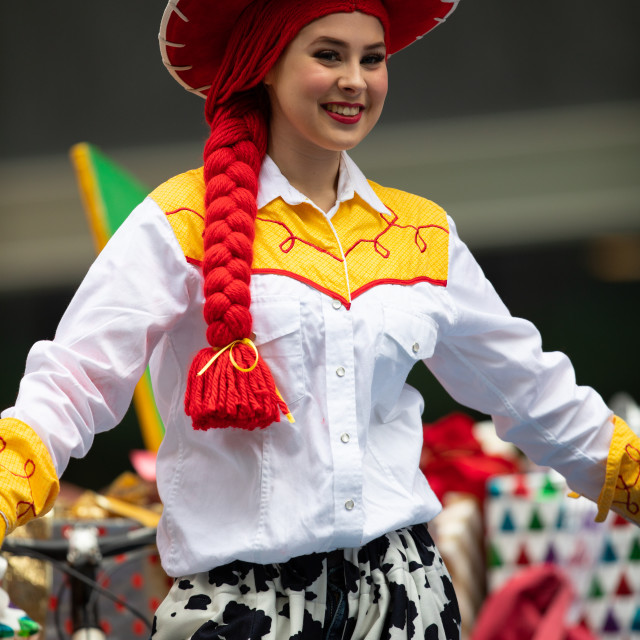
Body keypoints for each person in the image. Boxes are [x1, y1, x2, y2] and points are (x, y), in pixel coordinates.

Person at [0, 0, 638, 638]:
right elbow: (74, 383)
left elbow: (532, 391)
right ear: (266, 68)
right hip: (239, 605)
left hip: (406, 596)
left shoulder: (421, 232)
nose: (355, 80)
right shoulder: (176, 221)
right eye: (328, 54)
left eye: (372, 59)